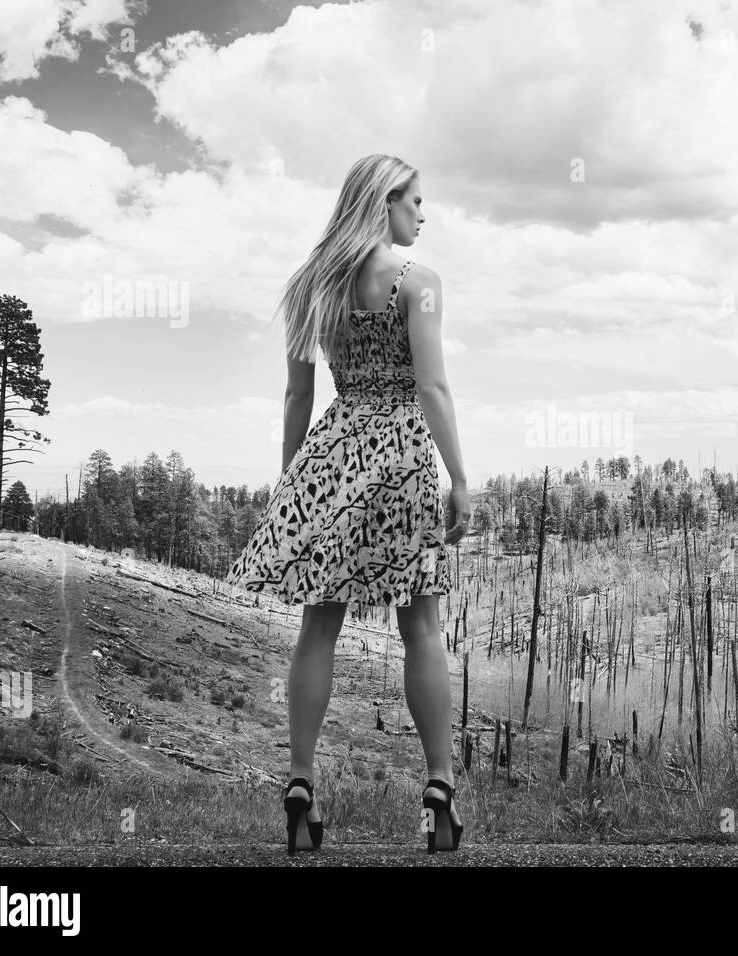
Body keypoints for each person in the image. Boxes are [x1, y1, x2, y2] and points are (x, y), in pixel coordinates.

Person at [225, 154, 470, 854]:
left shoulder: (313, 286)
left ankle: (300, 782)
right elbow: (433, 389)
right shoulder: (417, 284)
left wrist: (289, 490)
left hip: (332, 458)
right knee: (420, 626)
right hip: (400, 457)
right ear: (385, 202)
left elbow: (298, 396)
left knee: (317, 628)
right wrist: (459, 477)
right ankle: (439, 786)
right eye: (416, 201)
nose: (423, 215)